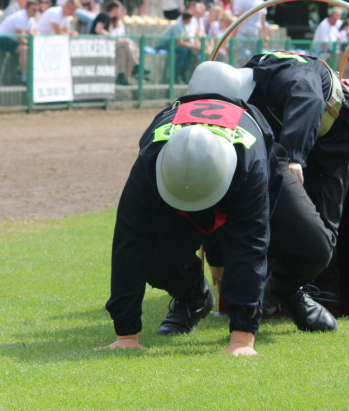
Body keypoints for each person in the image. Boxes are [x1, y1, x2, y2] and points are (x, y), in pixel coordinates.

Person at [100, 94, 291, 355]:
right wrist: (126, 335)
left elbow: (250, 246)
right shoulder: (148, 164)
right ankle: (194, 298)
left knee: (293, 240)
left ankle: (291, 295)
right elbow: (130, 242)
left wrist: (242, 340)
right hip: (173, 177)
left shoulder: (251, 164)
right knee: (158, 259)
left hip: (245, 162)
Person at [187, 50, 349, 313]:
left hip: (332, 138)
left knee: (323, 223)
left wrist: (294, 157)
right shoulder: (247, 83)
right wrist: (215, 253)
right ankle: (266, 295)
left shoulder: (291, 78)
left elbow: (308, 98)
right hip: (286, 140)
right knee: (268, 210)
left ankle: (316, 294)